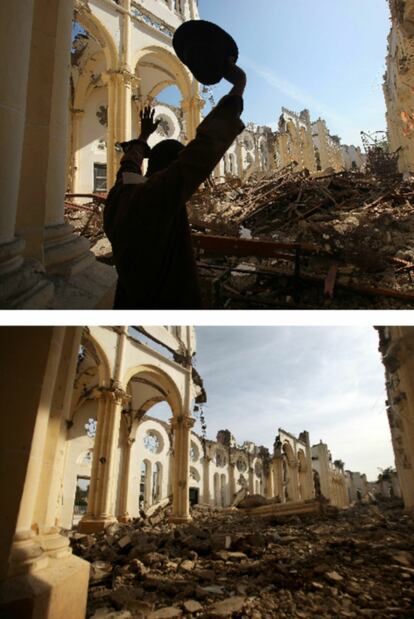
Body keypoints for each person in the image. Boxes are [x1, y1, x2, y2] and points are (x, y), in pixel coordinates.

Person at [104, 58, 246, 309]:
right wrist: (237, 90)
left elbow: (129, 164)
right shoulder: (158, 198)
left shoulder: (121, 193)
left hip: (129, 300)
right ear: (171, 169)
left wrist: (143, 135)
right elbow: (201, 152)